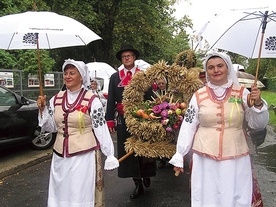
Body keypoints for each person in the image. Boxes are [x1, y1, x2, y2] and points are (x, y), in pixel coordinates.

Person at [169, 51, 269, 207]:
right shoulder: (198, 95)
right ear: (207, 71)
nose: (216, 70)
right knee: (207, 195)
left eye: (220, 66)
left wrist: (257, 104)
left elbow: (258, 124)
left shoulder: (243, 94)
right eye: (211, 67)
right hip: (205, 158)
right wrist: (180, 153)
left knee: (235, 194)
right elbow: (189, 124)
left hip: (236, 157)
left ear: (228, 68)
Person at [36, 59, 119, 207]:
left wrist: (109, 154)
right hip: (60, 156)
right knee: (60, 191)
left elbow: (100, 128)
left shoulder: (92, 100)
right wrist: (42, 110)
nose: (67, 76)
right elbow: (51, 128)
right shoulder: (56, 99)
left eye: (72, 73)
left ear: (81, 76)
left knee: (78, 191)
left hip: (83, 155)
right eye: (65, 73)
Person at [106, 44, 156, 199]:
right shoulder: (115, 77)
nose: (127, 58)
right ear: (122, 60)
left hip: (142, 119)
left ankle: (146, 174)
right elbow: (111, 100)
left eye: (129, 56)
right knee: (128, 152)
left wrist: (153, 115)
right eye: (124, 57)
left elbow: (150, 98)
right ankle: (137, 183)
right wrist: (110, 120)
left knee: (143, 150)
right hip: (123, 120)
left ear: (135, 58)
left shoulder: (143, 76)